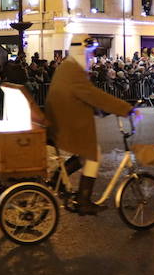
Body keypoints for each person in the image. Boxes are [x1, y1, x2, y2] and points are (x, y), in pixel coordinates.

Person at [44, 35, 134, 216]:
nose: (90, 57)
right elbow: (93, 95)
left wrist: (97, 110)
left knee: (85, 154)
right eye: (88, 53)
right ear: (80, 51)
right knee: (93, 155)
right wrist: (126, 109)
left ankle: (58, 179)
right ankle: (84, 201)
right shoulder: (73, 70)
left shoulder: (68, 66)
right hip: (66, 123)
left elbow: (79, 96)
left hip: (61, 120)